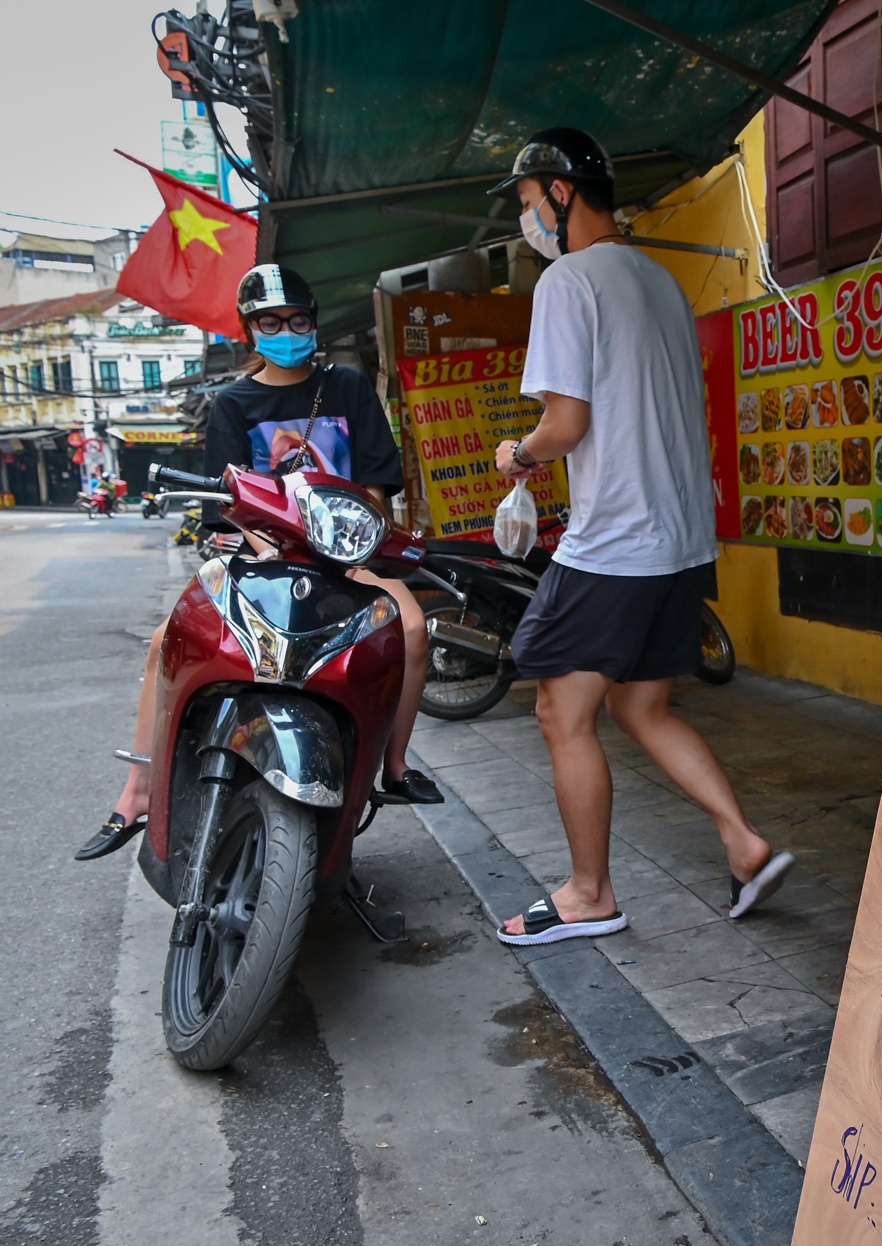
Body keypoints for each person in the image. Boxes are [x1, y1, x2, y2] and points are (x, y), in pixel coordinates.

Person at [485, 127, 793, 945]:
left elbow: (568, 421)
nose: (527, 222)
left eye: (526, 203)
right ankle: (744, 839)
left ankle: (589, 892)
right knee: (641, 703)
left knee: (559, 708)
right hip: (684, 537)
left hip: (615, 539)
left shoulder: (568, 282)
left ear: (560, 192)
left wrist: (519, 451)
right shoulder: (660, 282)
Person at [76, 264, 440, 861]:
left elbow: (375, 487)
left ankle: (393, 766)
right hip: (260, 553)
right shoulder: (233, 403)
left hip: (348, 552)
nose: (287, 330)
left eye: (296, 319)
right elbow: (228, 504)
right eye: (271, 322)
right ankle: (139, 789)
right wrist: (268, 545)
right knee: (164, 643)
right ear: (251, 331)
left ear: (312, 322)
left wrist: (355, 545)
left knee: (413, 631)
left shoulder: (346, 386)